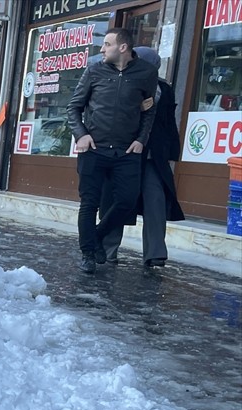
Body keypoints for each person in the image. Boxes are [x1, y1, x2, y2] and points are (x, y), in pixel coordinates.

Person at [66, 28, 158, 274]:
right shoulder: (93, 71)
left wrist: (141, 139)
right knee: (89, 204)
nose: (102, 49)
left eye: (107, 44)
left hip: (126, 151)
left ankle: (95, 237)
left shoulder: (146, 73)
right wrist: (81, 134)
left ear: (123, 47)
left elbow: (149, 110)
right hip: (94, 149)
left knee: (127, 201)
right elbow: (73, 108)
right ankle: (87, 253)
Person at [100, 46, 184, 268]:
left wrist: (172, 154)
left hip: (152, 157)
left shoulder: (164, 89)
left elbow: (168, 123)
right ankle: (107, 250)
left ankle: (155, 254)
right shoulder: (121, 82)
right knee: (118, 200)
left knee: (155, 201)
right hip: (122, 153)